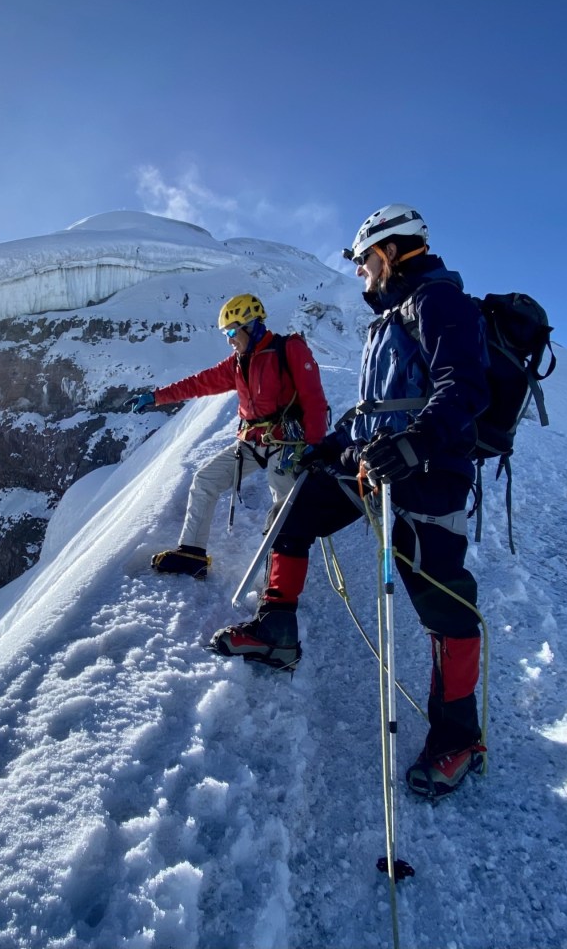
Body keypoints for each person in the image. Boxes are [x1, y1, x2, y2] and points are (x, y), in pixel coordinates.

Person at [209, 205, 490, 798]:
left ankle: (459, 738)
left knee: (444, 607)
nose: (361, 273)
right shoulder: (391, 318)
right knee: (298, 508)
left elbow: (464, 387)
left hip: (428, 474)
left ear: (388, 252)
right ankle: (277, 631)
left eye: (364, 261)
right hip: (372, 463)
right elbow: (369, 411)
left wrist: (416, 445)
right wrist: (327, 447)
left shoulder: (440, 304)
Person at [127, 293, 329, 579]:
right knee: (205, 480)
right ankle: (192, 552)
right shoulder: (237, 363)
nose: (229, 340)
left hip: (286, 442)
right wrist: (157, 397)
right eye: (226, 333)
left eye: (232, 331)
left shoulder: (289, 349)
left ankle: (280, 581)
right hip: (251, 442)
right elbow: (199, 383)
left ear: (251, 325)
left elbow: (314, 399)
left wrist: (315, 444)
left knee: (283, 502)